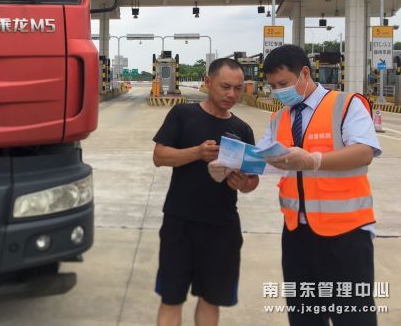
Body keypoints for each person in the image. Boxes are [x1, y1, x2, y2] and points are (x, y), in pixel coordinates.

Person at [258, 44, 380, 326]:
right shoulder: (279, 118)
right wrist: (235, 168)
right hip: (296, 235)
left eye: (283, 84)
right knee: (304, 317)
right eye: (273, 86)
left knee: (353, 318)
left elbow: (364, 152)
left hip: (346, 234)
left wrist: (314, 160)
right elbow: (262, 158)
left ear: (304, 73)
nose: (278, 91)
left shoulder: (346, 104)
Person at [152, 58, 259, 326]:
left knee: (212, 299)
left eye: (237, 88)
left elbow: (252, 181)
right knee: (171, 298)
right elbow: (160, 156)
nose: (232, 94)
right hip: (180, 222)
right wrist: (197, 152)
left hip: (222, 227)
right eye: (225, 86)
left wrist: (242, 183)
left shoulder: (242, 130)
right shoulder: (182, 114)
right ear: (208, 82)